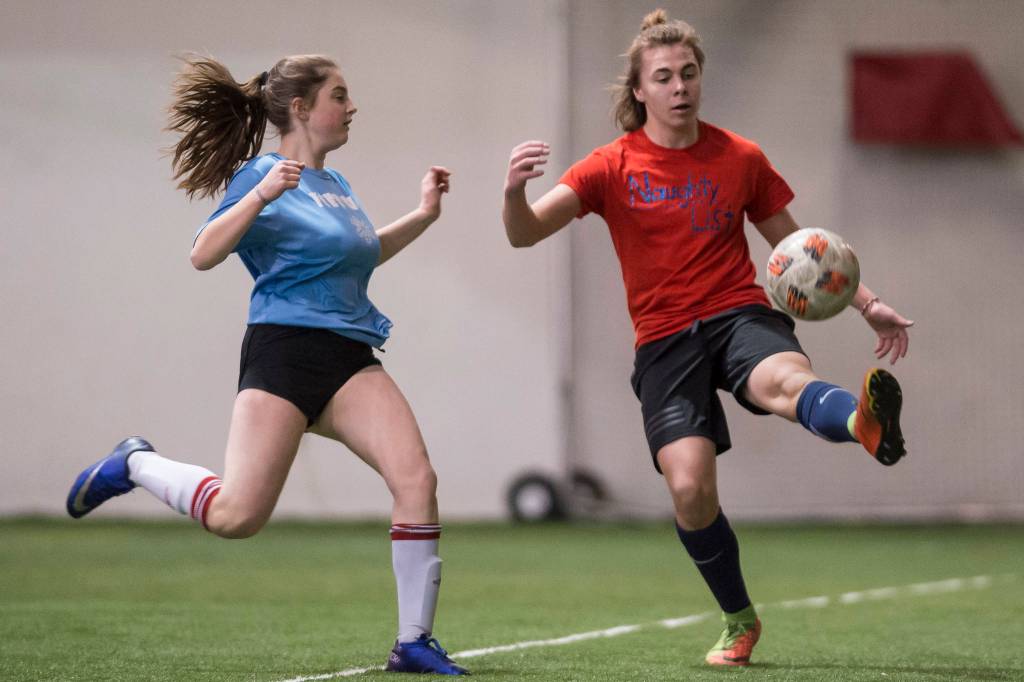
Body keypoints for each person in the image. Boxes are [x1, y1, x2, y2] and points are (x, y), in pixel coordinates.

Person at [502, 10, 912, 668]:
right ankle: (739, 619)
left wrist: (868, 303)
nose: (679, 87)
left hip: (738, 313)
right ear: (639, 90)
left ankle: (863, 421)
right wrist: (513, 193)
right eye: (663, 77)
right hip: (664, 339)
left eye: (688, 73)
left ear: (700, 79)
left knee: (785, 382)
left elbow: (797, 245)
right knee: (690, 487)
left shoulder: (740, 156)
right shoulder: (608, 167)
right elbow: (524, 234)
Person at [65, 54, 468, 676]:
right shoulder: (264, 173)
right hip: (283, 353)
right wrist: (260, 193)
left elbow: (357, 256)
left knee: (416, 479)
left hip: (349, 358)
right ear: (302, 109)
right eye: (340, 94)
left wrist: (424, 215)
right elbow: (202, 254)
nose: (352, 106)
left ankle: (413, 642)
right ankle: (135, 462)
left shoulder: (336, 186)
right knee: (237, 517)